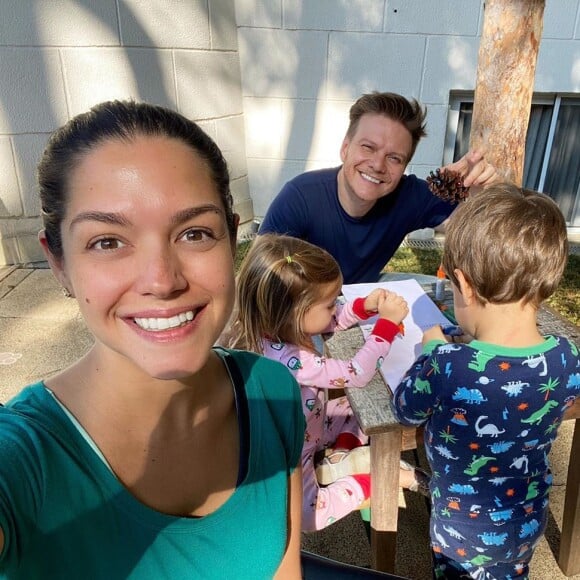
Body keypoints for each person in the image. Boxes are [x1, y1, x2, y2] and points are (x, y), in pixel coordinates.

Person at [0, 101, 305, 578]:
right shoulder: (22, 459)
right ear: (58, 262)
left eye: (195, 233)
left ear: (232, 240)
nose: (162, 280)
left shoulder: (271, 391)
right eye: (107, 241)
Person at [391, 183, 580, 579]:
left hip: (460, 537)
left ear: (465, 285)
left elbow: (404, 409)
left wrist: (430, 345)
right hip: (526, 525)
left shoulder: (447, 364)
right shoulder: (565, 356)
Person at [222, 233, 429, 533]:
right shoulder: (292, 361)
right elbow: (356, 372)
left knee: (350, 407)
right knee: (309, 519)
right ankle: (389, 479)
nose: (336, 309)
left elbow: (327, 321)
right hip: (294, 452)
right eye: (331, 303)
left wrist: (365, 306)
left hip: (314, 425)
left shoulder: (275, 328)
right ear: (295, 314)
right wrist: (385, 326)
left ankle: (340, 456)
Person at [259, 91, 499, 284]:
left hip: (363, 293)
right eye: (368, 147)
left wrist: (486, 193)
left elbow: (481, 232)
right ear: (345, 148)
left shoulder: (407, 195)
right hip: (302, 301)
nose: (377, 165)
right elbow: (258, 274)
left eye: (394, 158)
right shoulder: (300, 197)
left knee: (436, 296)